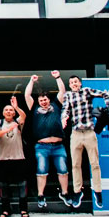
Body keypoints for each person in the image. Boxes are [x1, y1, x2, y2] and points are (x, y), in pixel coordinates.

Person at [60, 73, 109, 208]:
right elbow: (65, 109)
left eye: (76, 81)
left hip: (89, 132)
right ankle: (77, 192)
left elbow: (105, 94)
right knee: (75, 164)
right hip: (76, 133)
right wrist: (64, 118)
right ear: (69, 85)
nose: (74, 84)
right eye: (71, 83)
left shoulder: (87, 91)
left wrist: (107, 106)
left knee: (94, 163)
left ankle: (98, 191)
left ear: (80, 83)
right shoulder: (68, 96)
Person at [25, 72, 70, 209]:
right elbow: (27, 95)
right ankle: (40, 195)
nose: (43, 102)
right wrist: (31, 81)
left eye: (45, 99)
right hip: (42, 146)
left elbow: (62, 91)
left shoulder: (56, 106)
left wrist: (57, 77)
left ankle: (65, 193)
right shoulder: (35, 109)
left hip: (58, 145)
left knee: (63, 170)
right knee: (42, 170)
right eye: (41, 100)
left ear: (48, 99)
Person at [0, 96, 29, 217]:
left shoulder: (17, 122)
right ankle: (5, 210)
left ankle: (23, 209)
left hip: (18, 158)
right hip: (3, 159)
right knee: (3, 185)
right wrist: (9, 128)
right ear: (3, 113)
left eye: (11, 110)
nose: (9, 111)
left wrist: (16, 107)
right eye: (6, 110)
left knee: (22, 184)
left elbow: (24, 116)